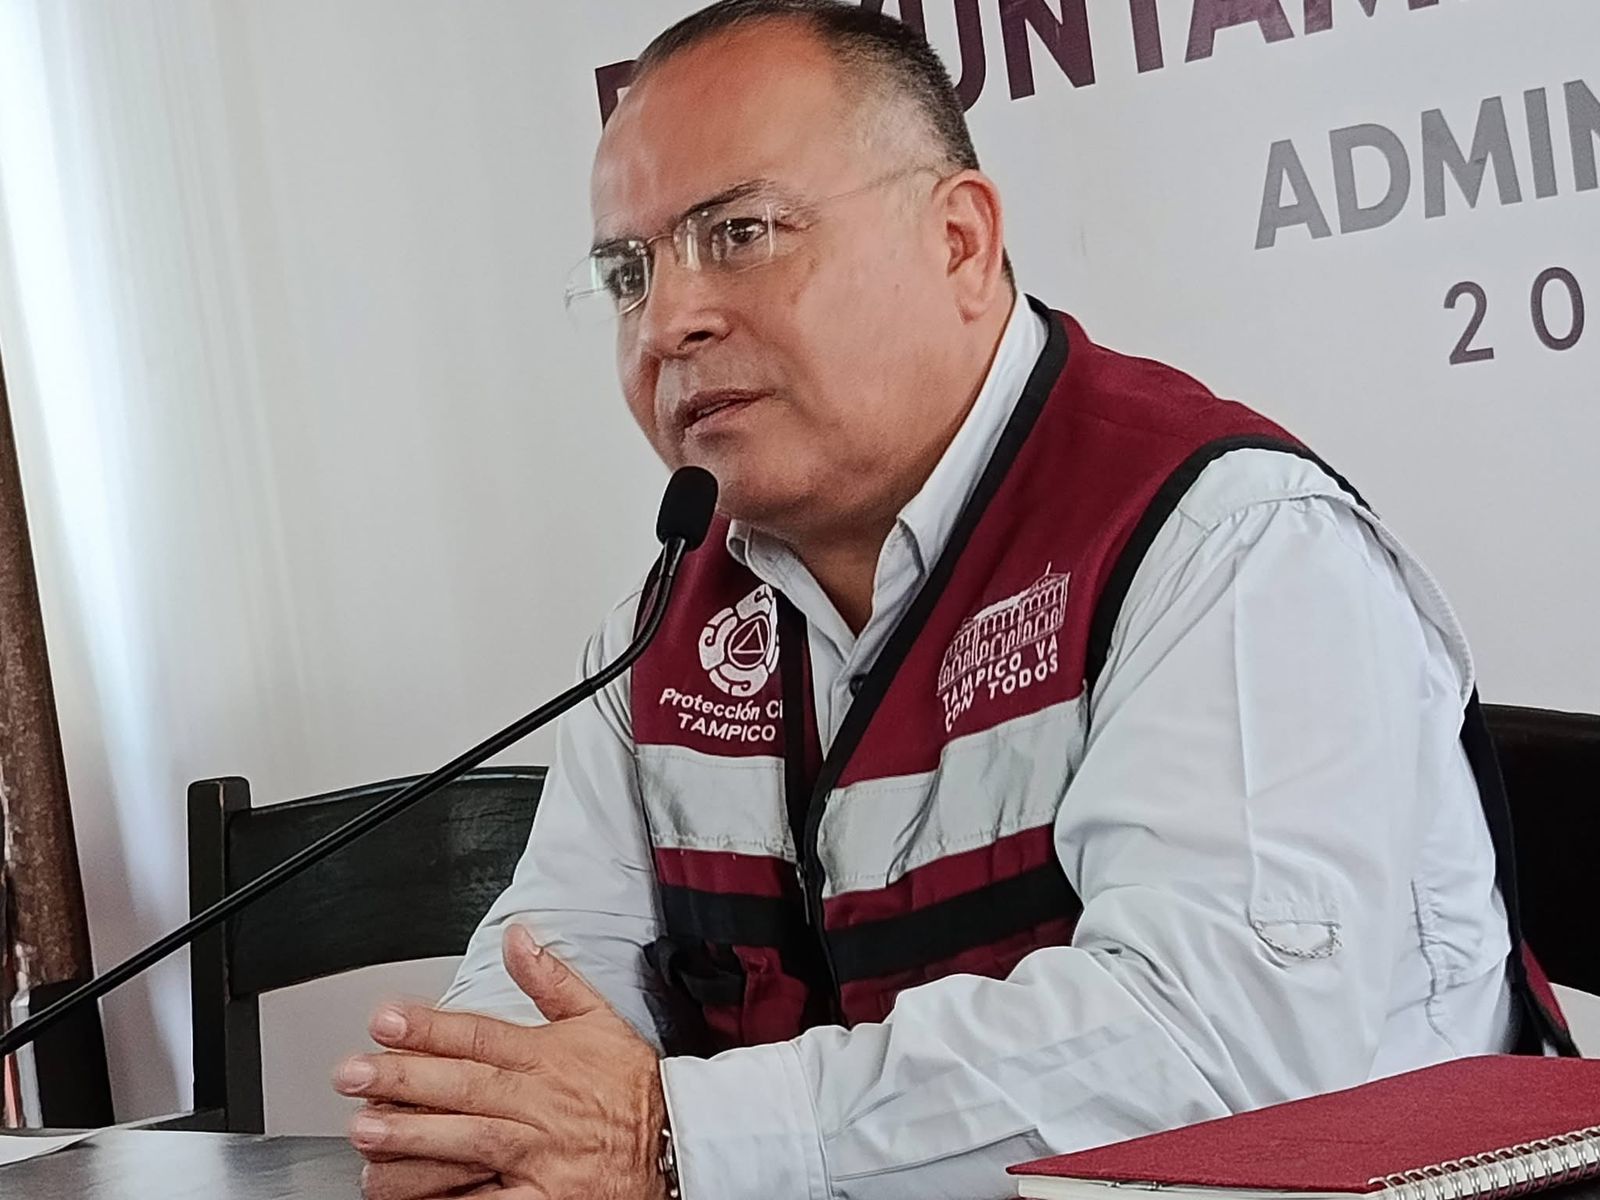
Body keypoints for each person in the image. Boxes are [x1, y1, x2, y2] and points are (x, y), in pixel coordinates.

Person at [331, 3, 1574, 1198]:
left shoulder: (1229, 544)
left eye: (741, 233)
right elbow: (547, 986)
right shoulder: (664, 636)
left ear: (960, 243)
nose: (669, 322)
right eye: (626, 272)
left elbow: (1208, 1052)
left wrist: (673, 1139)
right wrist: (488, 1129)